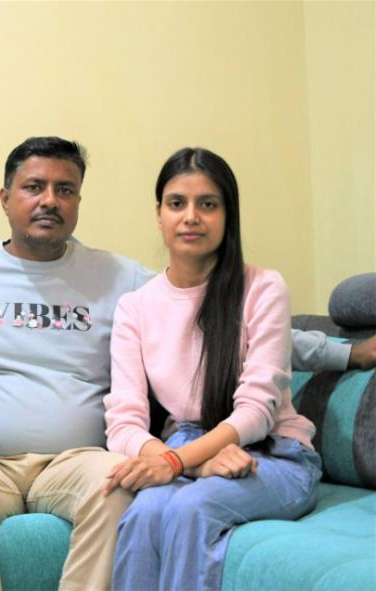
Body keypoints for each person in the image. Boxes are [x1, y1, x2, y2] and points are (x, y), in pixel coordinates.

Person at [0, 137, 151, 590]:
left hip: (77, 461)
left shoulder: (122, 278)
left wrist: (297, 344)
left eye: (65, 189)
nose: (50, 201)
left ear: (78, 201)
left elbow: (199, 316)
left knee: (120, 482)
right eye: (34, 187)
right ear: (5, 198)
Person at [103, 147, 322, 591]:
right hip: (188, 445)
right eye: (176, 203)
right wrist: (191, 463)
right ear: (159, 214)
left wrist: (177, 463)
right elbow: (123, 423)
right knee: (145, 511)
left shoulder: (263, 287)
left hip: (275, 454)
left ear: (228, 215)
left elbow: (257, 411)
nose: (191, 217)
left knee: (191, 507)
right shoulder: (134, 307)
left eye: (208, 204)